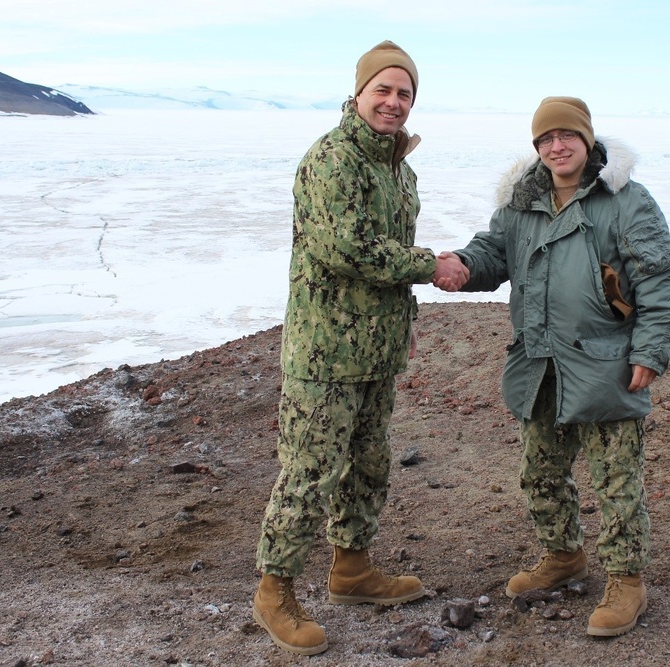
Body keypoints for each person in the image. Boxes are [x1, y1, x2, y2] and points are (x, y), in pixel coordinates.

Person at [436, 96, 670, 637]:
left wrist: (650, 350)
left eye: (566, 136)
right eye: (546, 139)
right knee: (541, 472)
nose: (557, 146)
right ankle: (563, 555)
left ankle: (626, 579)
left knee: (615, 478)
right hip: (539, 361)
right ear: (537, 147)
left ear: (587, 140)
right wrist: (459, 266)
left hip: (605, 363)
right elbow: (491, 254)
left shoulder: (625, 201)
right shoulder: (521, 204)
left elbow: (660, 276)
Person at [252, 40, 468, 656]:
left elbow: (383, 252)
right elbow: (345, 249)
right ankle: (275, 591)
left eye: (405, 94)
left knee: (367, 465)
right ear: (359, 93)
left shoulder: (398, 168)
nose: (394, 102)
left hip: (375, 350)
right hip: (325, 354)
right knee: (309, 472)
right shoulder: (333, 159)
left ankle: (352, 569)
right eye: (384, 90)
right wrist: (432, 265)